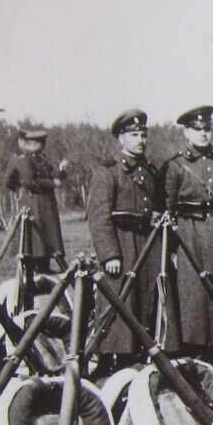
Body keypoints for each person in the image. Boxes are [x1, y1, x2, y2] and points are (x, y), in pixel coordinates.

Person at [162, 105, 213, 358]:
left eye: (207, 128)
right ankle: (194, 347)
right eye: (197, 129)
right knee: (193, 292)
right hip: (189, 234)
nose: (203, 134)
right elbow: (168, 206)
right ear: (186, 132)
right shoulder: (175, 166)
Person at [86, 110, 163, 363]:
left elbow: (156, 208)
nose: (140, 140)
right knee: (120, 302)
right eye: (133, 135)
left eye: (143, 135)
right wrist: (109, 254)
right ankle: (112, 358)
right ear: (121, 138)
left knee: (144, 300)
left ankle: (141, 354)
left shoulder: (149, 171)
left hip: (146, 244)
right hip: (121, 244)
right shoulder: (108, 173)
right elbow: (99, 218)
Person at [1, 128, 68, 272]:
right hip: (34, 204)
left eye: (41, 143)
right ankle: (33, 268)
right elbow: (28, 181)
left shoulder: (40, 158)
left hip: (44, 204)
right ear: (30, 143)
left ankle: (44, 266)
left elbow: (51, 173)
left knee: (46, 236)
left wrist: (61, 171)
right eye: (38, 143)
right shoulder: (24, 159)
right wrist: (20, 191)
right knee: (35, 238)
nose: (41, 145)